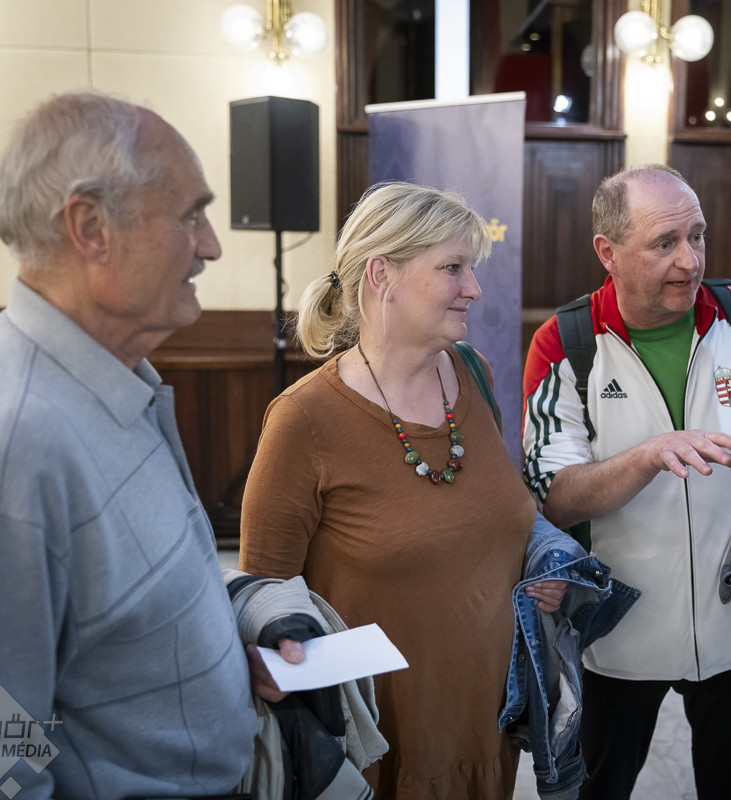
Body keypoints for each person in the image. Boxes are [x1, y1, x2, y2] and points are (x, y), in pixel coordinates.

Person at [0, 91, 301, 799]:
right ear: (91, 228)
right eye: (190, 214)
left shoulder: (116, 376)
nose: (211, 245)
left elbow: (132, 602)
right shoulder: (12, 447)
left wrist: (240, 632)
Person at [238, 182, 566, 800]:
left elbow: (487, 522)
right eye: (452, 268)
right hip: (376, 749)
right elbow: (263, 602)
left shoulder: (473, 373)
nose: (474, 288)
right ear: (381, 274)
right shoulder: (303, 419)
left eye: (471, 268)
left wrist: (537, 569)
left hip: (485, 727)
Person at [521, 164, 731, 799]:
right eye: (664, 243)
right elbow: (555, 495)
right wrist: (647, 456)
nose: (689, 260)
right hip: (615, 637)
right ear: (608, 252)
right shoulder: (567, 345)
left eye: (697, 235)